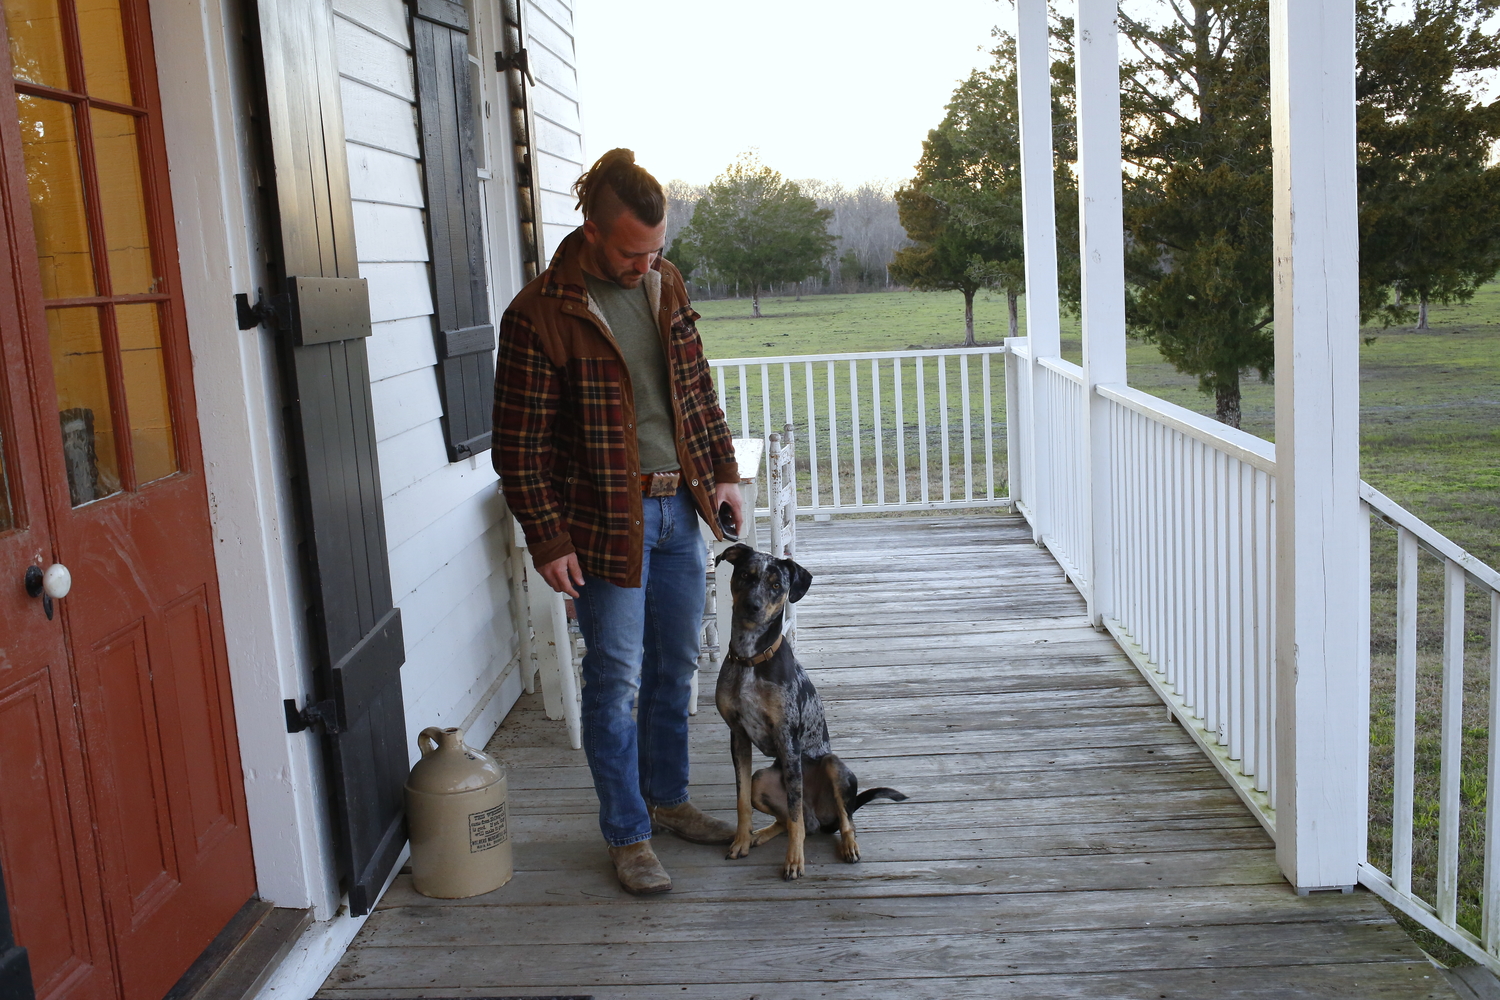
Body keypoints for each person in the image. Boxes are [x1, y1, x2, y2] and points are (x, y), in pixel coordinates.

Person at [492, 148, 743, 895]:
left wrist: (722, 472)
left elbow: (695, 388)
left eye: (656, 248)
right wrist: (548, 537)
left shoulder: (665, 283)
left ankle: (667, 801)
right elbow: (519, 447)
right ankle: (628, 834)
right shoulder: (539, 314)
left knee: (677, 670)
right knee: (615, 679)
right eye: (633, 252)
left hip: (679, 509)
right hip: (606, 520)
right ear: (593, 233)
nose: (647, 264)